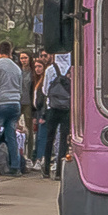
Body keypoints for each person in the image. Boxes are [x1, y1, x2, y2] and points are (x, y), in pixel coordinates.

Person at [0, 41, 25, 175]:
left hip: (0, 103)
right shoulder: (17, 67)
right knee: (11, 136)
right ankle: (15, 166)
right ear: (10, 51)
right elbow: (20, 88)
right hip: (15, 104)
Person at [36, 51, 72, 180]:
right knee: (64, 139)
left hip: (52, 108)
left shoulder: (51, 69)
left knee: (49, 138)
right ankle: (59, 171)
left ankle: (46, 169)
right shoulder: (71, 68)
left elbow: (45, 90)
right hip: (67, 108)